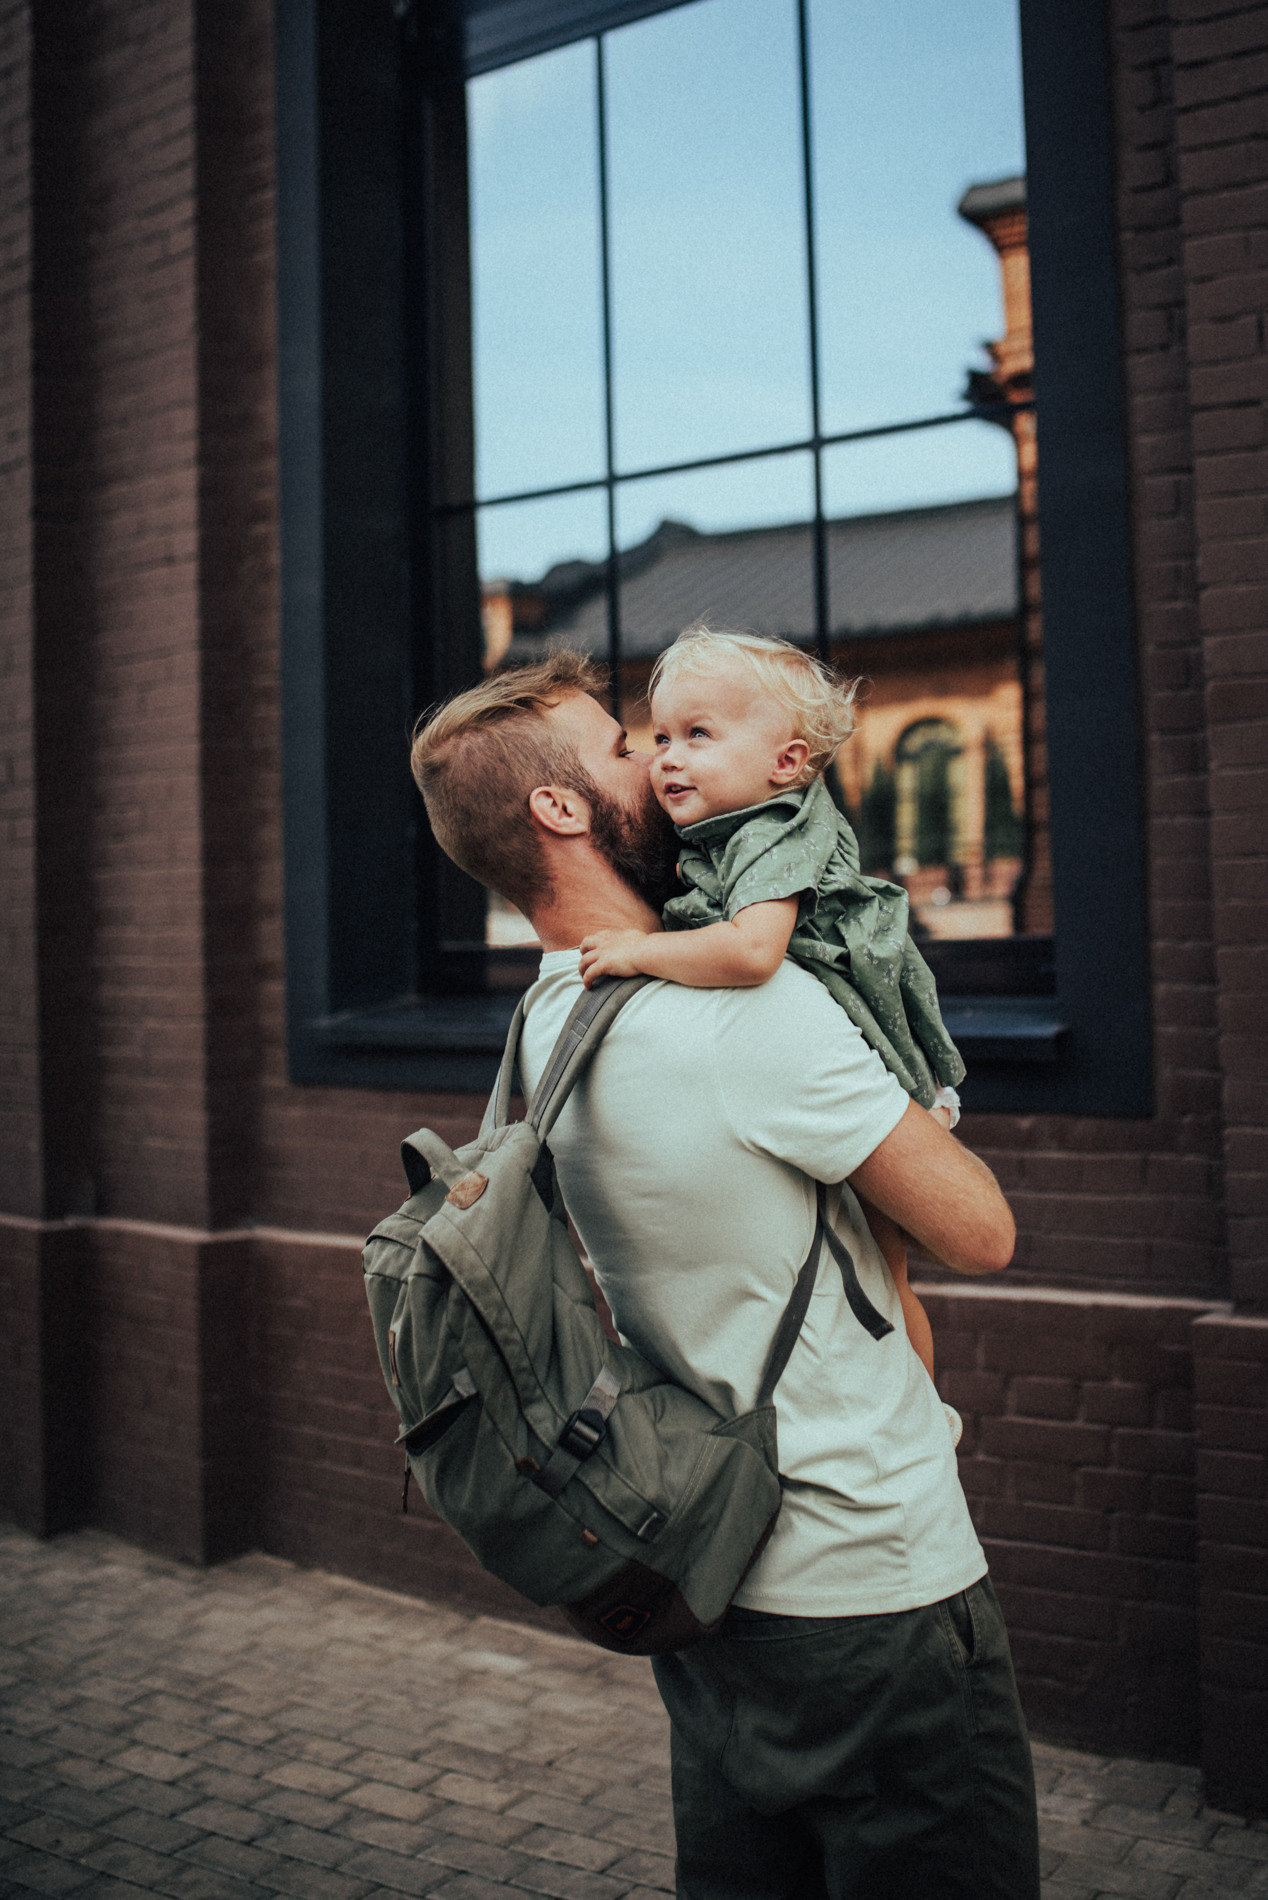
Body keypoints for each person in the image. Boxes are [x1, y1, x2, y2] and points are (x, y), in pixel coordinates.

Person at [410, 651, 1040, 1900]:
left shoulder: (549, 1020)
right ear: (560, 809)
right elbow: (982, 1230)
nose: (657, 755)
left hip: (704, 1569)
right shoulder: (743, 1014)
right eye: (622, 744)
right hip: (868, 1580)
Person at [576, 626, 964, 1394]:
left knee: (889, 1272)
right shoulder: (726, 827)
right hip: (827, 1050)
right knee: (871, 1265)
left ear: (785, 764)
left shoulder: (774, 827)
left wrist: (640, 950)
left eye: (698, 735)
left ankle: (925, 1416)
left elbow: (753, 951)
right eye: (660, 737)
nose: (667, 757)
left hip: (869, 1047)